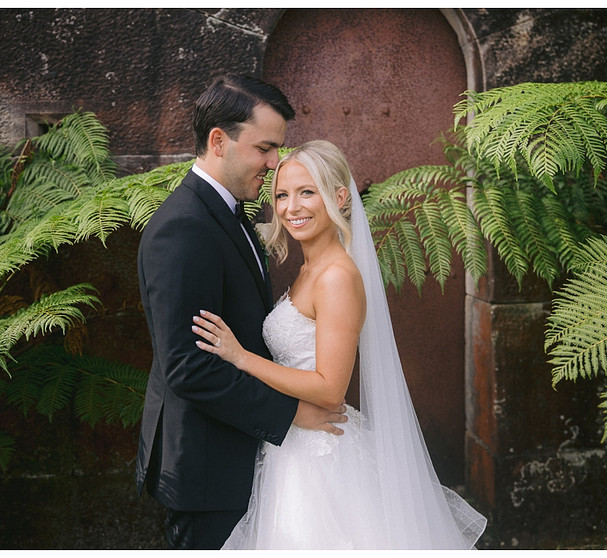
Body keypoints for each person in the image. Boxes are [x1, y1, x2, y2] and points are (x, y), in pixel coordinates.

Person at [191, 140, 487, 549]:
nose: (291, 207)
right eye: (281, 194)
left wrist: (241, 358)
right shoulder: (309, 267)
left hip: (321, 458)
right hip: (293, 446)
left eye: (306, 192)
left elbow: (331, 387)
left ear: (339, 197)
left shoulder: (336, 277)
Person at [135, 75, 347, 550]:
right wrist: (291, 413)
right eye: (265, 149)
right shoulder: (184, 228)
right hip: (208, 468)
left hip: (247, 456)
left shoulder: (229, 212)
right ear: (218, 141)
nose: (274, 165)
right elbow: (188, 368)